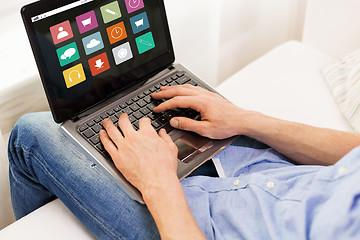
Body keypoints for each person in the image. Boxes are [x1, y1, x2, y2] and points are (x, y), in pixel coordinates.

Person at [8, 84, 360, 239]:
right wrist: (247, 119)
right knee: (169, 101)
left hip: (191, 228)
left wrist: (158, 182)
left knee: (31, 134)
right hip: (270, 173)